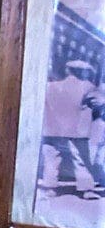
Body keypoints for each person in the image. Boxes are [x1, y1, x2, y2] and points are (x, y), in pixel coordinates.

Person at [38, 60, 101, 197]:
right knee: (81, 160)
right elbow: (99, 102)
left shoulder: (50, 86)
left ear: (68, 71)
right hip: (76, 130)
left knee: (51, 159)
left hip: (51, 129)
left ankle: (50, 189)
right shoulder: (87, 87)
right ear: (83, 72)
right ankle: (86, 190)